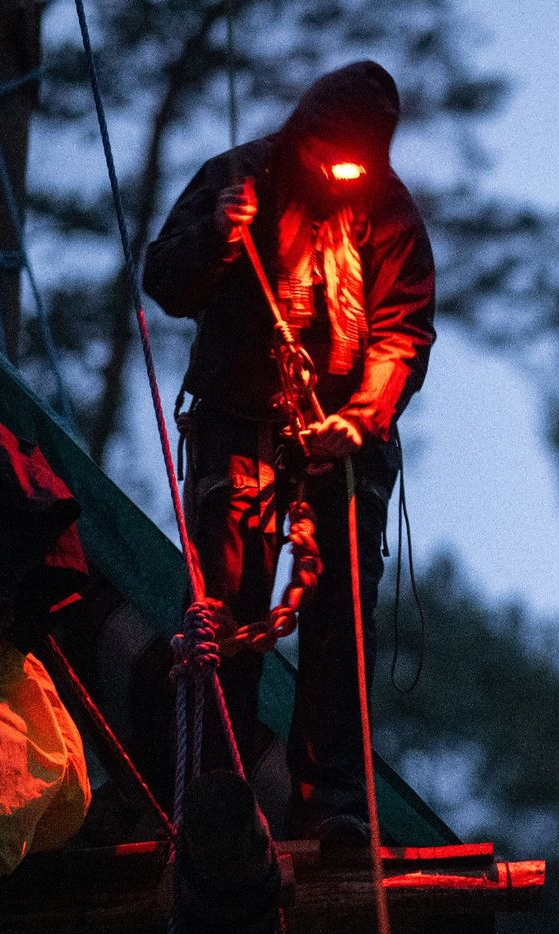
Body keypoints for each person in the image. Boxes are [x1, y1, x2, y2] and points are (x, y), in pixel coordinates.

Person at [143, 60, 434, 842]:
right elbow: (166, 281)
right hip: (239, 433)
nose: (335, 172)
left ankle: (333, 806)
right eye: (324, 155)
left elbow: (403, 330)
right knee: (224, 615)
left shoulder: (391, 214)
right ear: (304, 133)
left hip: (340, 449)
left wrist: (365, 415)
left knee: (341, 624)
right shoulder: (240, 177)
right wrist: (214, 235)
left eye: (352, 162)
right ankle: (212, 799)